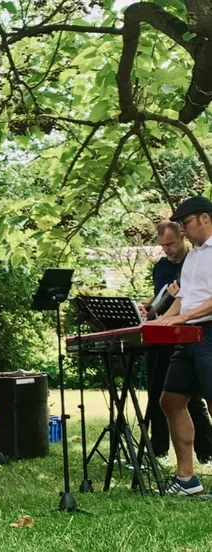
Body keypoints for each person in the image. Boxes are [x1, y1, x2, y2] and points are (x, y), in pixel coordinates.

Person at [149, 196, 212, 496]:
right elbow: (183, 297)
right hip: (187, 335)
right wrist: (159, 322)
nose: (183, 231)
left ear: (204, 218)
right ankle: (187, 479)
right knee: (170, 400)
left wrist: (182, 317)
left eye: (186, 224)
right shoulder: (195, 256)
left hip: (210, 332)